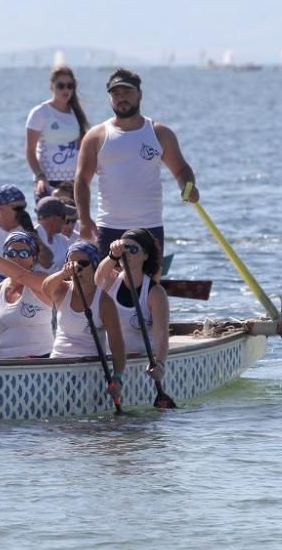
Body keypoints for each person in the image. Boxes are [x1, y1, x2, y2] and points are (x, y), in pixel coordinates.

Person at [74, 68, 199, 259]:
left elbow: (182, 170)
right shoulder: (96, 136)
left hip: (149, 226)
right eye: (116, 94)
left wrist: (188, 186)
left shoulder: (159, 133)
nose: (121, 98)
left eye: (127, 92)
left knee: (150, 286)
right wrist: (84, 219)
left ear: (139, 94)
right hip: (108, 227)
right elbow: (82, 180)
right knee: (107, 287)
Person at [41, 241, 126, 403]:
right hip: (57, 364)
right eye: (72, 264)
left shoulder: (104, 302)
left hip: (89, 368)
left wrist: (117, 377)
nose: (77, 268)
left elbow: (117, 344)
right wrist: (62, 273)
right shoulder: (62, 290)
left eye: (83, 264)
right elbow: (45, 287)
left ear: (94, 265)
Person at [94, 228, 170, 385]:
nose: (127, 253)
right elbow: (98, 278)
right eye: (124, 249)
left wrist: (160, 363)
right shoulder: (111, 280)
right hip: (110, 360)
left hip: (140, 363)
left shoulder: (155, 292)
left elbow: (161, 333)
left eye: (133, 249)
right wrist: (112, 255)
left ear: (145, 256)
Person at [26, 65, 91, 201]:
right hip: (48, 181)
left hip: (73, 182)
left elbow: (83, 148)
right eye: (61, 86)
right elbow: (30, 151)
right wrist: (40, 177)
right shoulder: (40, 113)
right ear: (52, 87)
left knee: (74, 222)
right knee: (50, 221)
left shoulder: (76, 113)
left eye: (70, 86)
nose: (66, 89)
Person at [0, 184, 52, 286]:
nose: (22, 212)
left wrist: (34, 236)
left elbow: (47, 263)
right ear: (0, 208)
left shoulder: (33, 230)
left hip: (28, 287)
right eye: (17, 208)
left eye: (23, 207)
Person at [33, 196, 73, 275]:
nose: (65, 222)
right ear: (54, 219)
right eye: (64, 217)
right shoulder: (30, 239)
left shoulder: (63, 240)